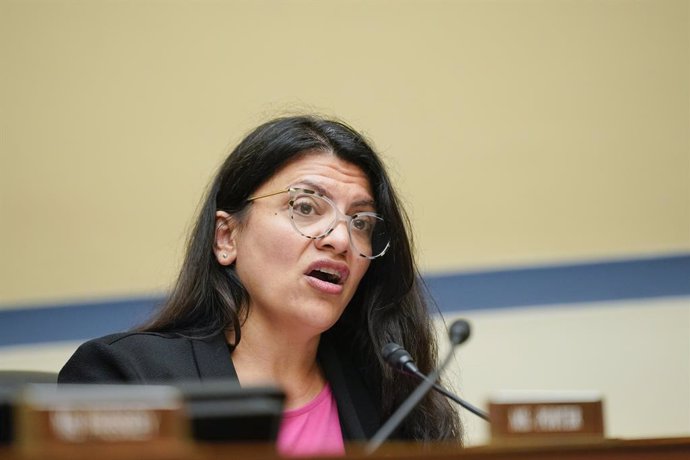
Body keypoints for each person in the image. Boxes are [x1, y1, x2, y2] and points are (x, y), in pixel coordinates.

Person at [59, 115, 462, 455]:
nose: (341, 239)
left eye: (361, 222)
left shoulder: (390, 396)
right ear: (226, 238)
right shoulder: (127, 379)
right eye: (305, 207)